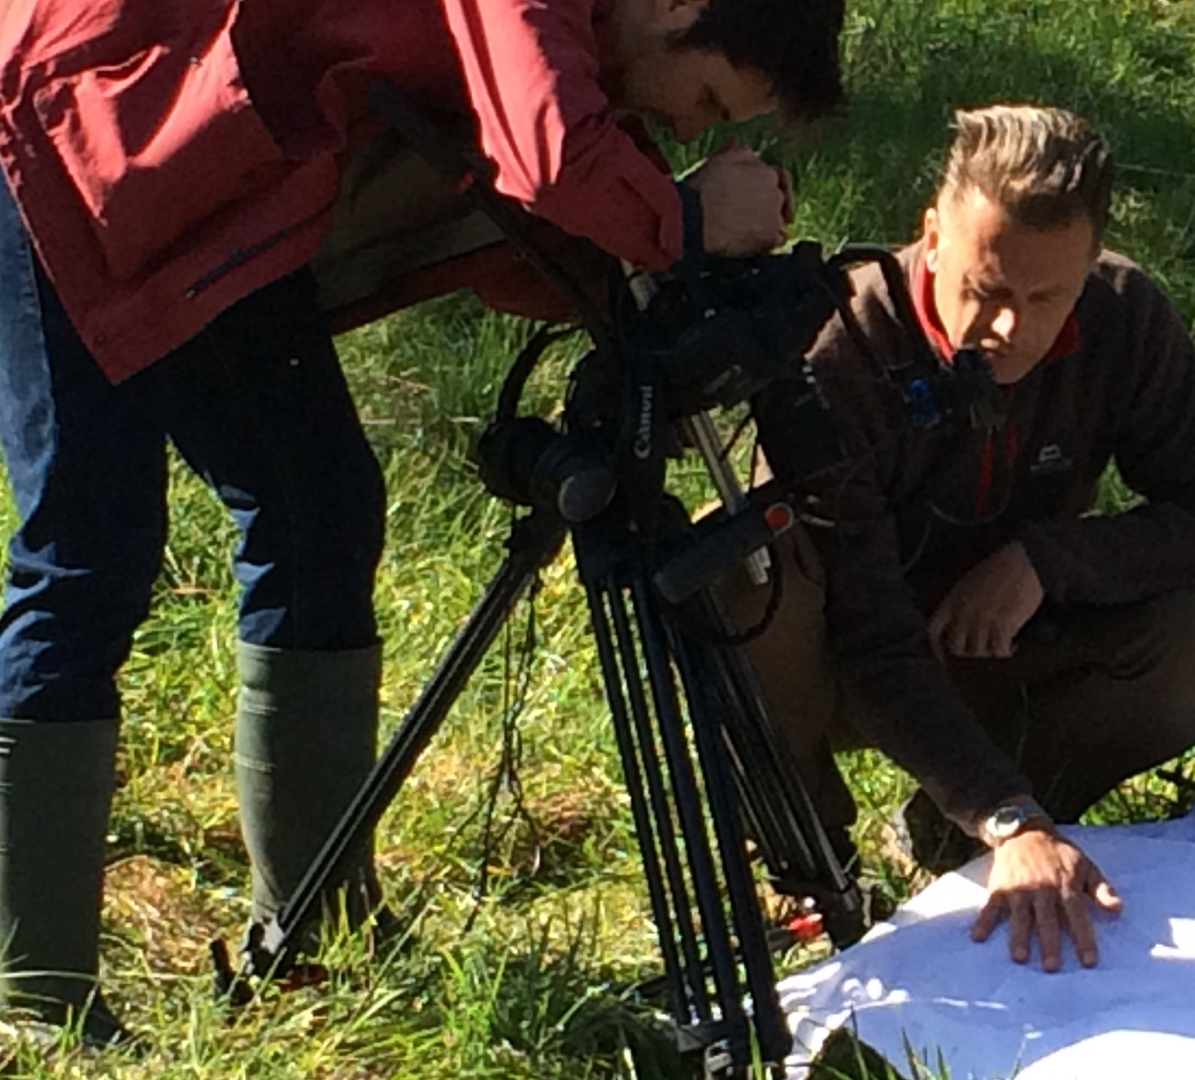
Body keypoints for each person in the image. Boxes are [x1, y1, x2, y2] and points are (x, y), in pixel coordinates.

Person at [0, 0, 844, 1044]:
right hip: (61, 132)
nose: (688, 129)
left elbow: (519, 213)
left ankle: (317, 921)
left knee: (321, 513)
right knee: (90, 547)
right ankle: (36, 993)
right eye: (706, 99)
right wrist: (682, 219)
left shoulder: (587, 46)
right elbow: (546, 154)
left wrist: (674, 249)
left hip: (203, 178)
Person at [726, 104, 1195, 975]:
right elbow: (871, 639)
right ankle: (814, 863)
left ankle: (959, 839)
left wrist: (1048, 562)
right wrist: (1004, 813)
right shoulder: (841, 350)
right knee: (741, 574)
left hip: (1003, 647)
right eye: (985, 290)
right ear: (932, 236)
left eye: (1046, 298)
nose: (1008, 331)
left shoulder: (1123, 316)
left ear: (1091, 263)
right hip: (844, 660)